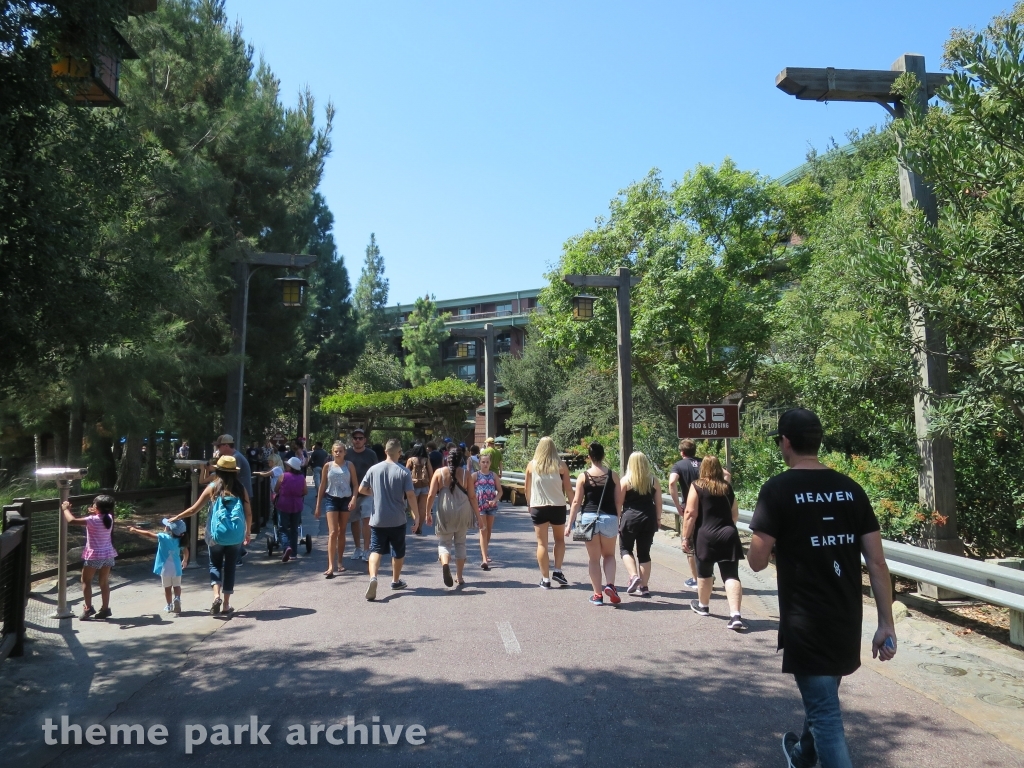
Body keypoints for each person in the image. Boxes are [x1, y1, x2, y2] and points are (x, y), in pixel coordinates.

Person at [746, 408, 896, 768]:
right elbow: (877, 562)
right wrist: (886, 623)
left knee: (827, 715)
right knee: (823, 698)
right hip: (845, 619)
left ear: (785, 442)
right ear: (818, 441)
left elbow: (756, 561)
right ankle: (801, 756)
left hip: (805, 621)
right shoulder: (851, 489)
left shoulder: (777, 489)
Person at [172, 455, 252, 615]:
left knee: (215, 565)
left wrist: (176, 517)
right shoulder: (240, 489)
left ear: (219, 471)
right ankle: (226, 605)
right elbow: (248, 514)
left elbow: (194, 509)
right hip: (236, 536)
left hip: (215, 536)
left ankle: (216, 596)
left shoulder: (213, 487)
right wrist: (247, 532)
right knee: (230, 567)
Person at [682, 456, 746, 628]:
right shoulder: (726, 487)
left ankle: (703, 605)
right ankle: (736, 615)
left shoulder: (697, 486)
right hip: (728, 534)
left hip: (705, 535)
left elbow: (690, 513)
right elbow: (734, 514)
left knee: (704, 572)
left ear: (702, 468)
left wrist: (685, 536)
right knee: (731, 575)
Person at [357, 438, 418, 601]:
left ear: (385, 452)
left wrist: (374, 493)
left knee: (376, 549)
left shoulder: (374, 469)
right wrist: (417, 516)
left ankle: (373, 578)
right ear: (399, 452)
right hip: (397, 518)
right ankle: (395, 580)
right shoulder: (403, 472)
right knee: (398, 551)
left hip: (377, 518)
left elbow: (361, 489)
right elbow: (411, 495)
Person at [566, 442, 620, 605]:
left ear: (589, 457)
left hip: (587, 518)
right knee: (609, 555)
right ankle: (610, 584)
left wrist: (569, 524)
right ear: (603, 456)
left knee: (593, 559)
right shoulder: (613, 475)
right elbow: (618, 501)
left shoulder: (583, 476)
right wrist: (618, 519)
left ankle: (597, 595)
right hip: (609, 517)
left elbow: (576, 502)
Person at [425, 445, 480, 588]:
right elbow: (473, 497)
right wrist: (479, 518)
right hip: (463, 510)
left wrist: (427, 513)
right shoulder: (466, 474)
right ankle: (459, 577)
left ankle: (445, 564)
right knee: (460, 543)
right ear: (461, 459)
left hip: (445, 511)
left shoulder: (439, 473)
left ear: (447, 459)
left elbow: (431, 495)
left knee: (444, 542)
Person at [524, 436, 573, 590]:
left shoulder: (531, 466)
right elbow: (569, 489)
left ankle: (545, 579)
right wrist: (574, 506)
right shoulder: (561, 466)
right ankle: (557, 570)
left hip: (538, 507)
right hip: (558, 506)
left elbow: (527, 489)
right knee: (559, 540)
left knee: (541, 543)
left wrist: (529, 504)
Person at [61, 494, 118, 620]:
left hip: (95, 556)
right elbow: (99, 517)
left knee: (86, 581)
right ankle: (105, 609)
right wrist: (96, 511)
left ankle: (88, 608)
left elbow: (72, 521)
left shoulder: (92, 520)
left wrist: (65, 509)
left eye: (94, 504)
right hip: (107, 554)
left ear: (97, 507)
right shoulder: (109, 517)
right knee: (103, 582)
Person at [616, 451, 662, 598]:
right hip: (648, 517)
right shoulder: (653, 480)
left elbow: (619, 503)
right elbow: (659, 502)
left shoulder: (626, 481)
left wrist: (618, 519)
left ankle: (634, 575)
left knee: (625, 549)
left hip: (630, 518)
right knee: (644, 553)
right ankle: (644, 587)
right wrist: (658, 519)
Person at [314, 441, 357, 578]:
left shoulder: (349, 465)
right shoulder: (327, 466)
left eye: (340, 451)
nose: (338, 453)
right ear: (332, 452)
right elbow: (322, 486)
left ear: (345, 452)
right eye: (335, 451)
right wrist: (318, 505)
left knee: (342, 531)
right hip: (331, 499)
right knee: (333, 532)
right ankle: (330, 565)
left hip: (345, 499)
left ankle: (340, 561)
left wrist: (354, 499)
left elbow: (356, 485)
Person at [129, 518, 187, 613]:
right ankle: (177, 598)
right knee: (177, 586)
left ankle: (169, 605)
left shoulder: (163, 537)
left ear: (169, 528)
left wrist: (135, 530)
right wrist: (184, 560)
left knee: (167, 588)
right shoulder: (180, 540)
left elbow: (148, 534)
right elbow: (186, 551)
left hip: (165, 568)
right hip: (177, 568)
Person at [668, 439, 702, 588]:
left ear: (682, 452)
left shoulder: (679, 465)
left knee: (688, 543)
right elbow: (726, 474)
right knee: (704, 542)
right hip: (706, 508)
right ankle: (707, 574)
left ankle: (696, 579)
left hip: (689, 509)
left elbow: (671, 482)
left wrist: (677, 505)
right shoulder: (705, 463)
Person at [345, 428, 379, 562]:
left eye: (360, 438)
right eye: (355, 438)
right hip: (351, 493)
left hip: (367, 492)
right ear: (352, 440)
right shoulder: (346, 453)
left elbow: (376, 471)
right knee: (354, 521)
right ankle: (357, 548)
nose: (357, 440)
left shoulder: (371, 454)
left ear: (365, 440)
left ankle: (366, 549)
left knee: (366, 520)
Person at [276, 456, 308, 562]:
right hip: (297, 505)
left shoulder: (283, 476)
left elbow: (276, 489)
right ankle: (294, 553)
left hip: (284, 504)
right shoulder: (302, 478)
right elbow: (305, 491)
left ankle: (286, 547)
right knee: (294, 529)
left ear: (290, 467)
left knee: (283, 528)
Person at [473, 452, 500, 569]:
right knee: (483, 530)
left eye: (487, 462)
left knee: (488, 531)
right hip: (480, 506)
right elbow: (468, 489)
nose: (485, 464)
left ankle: (485, 551)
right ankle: (484, 559)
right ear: (479, 463)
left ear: (490, 463)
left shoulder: (494, 475)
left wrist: (495, 499)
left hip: (491, 506)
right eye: (483, 462)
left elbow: (500, 491)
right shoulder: (475, 475)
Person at [406, 443, 434, 535]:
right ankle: (420, 527)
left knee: (412, 507)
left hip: (413, 486)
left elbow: (405, 472)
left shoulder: (410, 460)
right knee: (422, 508)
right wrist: (431, 486)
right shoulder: (426, 460)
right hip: (424, 486)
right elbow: (431, 473)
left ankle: (416, 522)